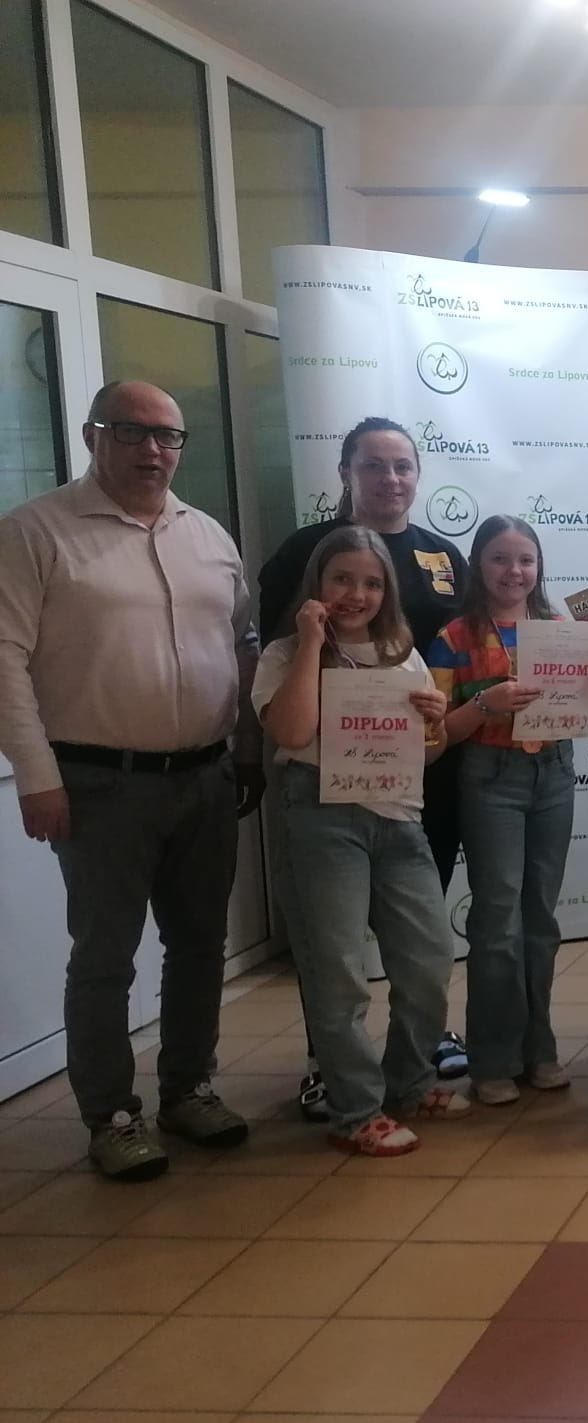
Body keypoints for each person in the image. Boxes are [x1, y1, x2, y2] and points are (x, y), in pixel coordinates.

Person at [0, 379, 264, 1180]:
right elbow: (5, 659)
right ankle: (112, 1115)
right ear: (93, 436)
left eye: (168, 436)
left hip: (206, 776)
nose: (153, 449)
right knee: (106, 956)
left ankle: (188, 1089)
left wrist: (247, 750)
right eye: (131, 431)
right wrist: (35, 775)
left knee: (200, 946)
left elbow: (244, 647)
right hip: (97, 785)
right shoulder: (36, 531)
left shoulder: (208, 536)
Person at [257, 417, 471, 1119]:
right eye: (374, 465)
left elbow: (436, 721)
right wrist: (310, 643)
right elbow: (288, 721)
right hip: (323, 804)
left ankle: (409, 1075)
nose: (391, 478)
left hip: (405, 799)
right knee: (336, 962)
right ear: (346, 472)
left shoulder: (434, 578)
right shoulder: (297, 579)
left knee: (425, 956)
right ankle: (345, 1091)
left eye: (403, 465)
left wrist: (437, 723)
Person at [428, 515, 588, 1105]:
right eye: (500, 559)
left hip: (554, 772)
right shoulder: (453, 637)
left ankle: (539, 1048)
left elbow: (583, 715)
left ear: (539, 567)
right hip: (491, 778)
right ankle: (493, 1059)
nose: (514, 571)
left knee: (541, 919)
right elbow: (435, 736)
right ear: (477, 565)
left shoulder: (561, 630)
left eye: (526, 560)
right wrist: (486, 704)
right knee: (497, 923)